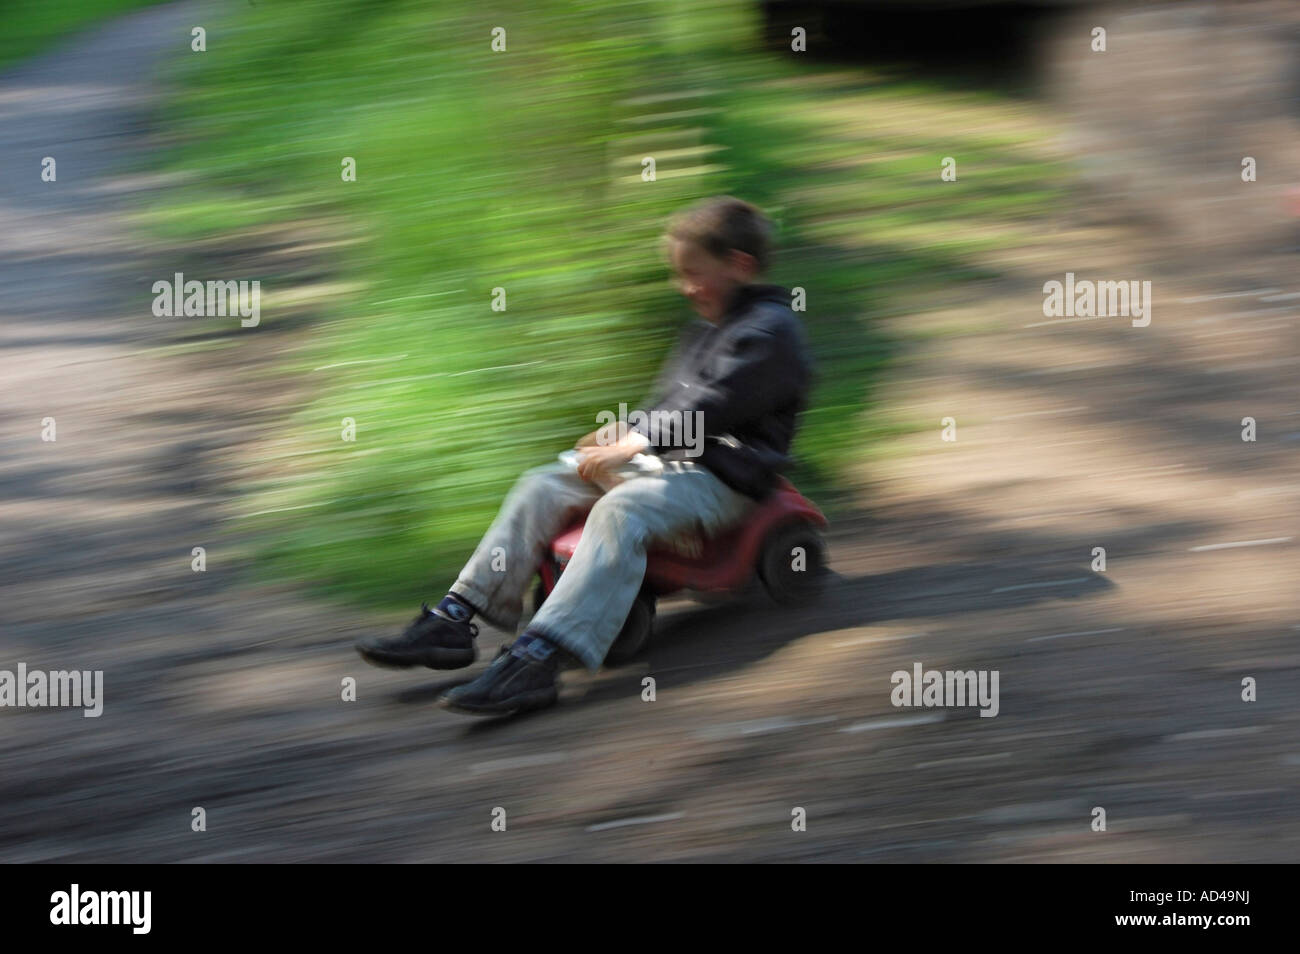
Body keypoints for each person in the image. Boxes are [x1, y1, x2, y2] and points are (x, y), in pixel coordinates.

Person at [355, 196, 813, 716]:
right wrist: (623, 429)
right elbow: (672, 403)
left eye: (693, 274)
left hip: (725, 478)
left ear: (740, 265)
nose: (684, 287)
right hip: (674, 461)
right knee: (543, 484)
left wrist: (634, 443)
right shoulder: (707, 329)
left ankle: (537, 658)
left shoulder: (771, 333)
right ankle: (455, 619)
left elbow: (714, 405)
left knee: (621, 511)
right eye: (677, 274)